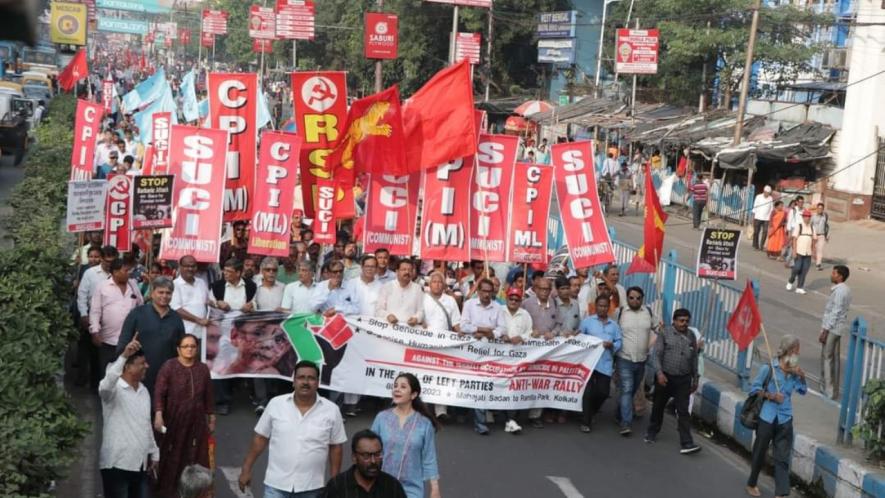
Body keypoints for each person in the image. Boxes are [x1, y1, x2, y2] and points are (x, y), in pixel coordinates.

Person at [239, 361, 347, 498]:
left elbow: (336, 447)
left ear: (318, 383)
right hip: (276, 486)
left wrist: (334, 482)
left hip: (312, 488)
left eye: (311, 378)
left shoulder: (332, 410)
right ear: (294, 381)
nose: (306, 382)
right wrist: (246, 468)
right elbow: (260, 438)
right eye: (301, 377)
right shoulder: (276, 404)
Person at [152, 334, 214, 498]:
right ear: (178, 349)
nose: (189, 349)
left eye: (193, 346)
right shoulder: (169, 367)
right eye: (185, 346)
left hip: (197, 420)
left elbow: (208, 395)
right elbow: (159, 392)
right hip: (174, 418)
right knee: (172, 454)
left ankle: (196, 491)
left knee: (196, 455)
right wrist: (159, 414)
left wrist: (211, 417)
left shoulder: (202, 368)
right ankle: (168, 491)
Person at [746, 335, 807, 498]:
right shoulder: (769, 369)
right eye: (795, 351)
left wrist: (802, 376)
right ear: (787, 352)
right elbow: (753, 390)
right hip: (767, 418)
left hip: (785, 419)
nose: (797, 355)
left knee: (782, 457)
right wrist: (771, 396)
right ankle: (751, 483)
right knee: (760, 452)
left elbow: (802, 391)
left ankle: (781, 492)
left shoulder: (794, 372)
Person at [99, 334, 159, 498]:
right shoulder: (113, 390)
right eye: (142, 364)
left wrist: (154, 453)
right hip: (116, 466)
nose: (147, 366)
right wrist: (124, 355)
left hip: (140, 466)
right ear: (128, 367)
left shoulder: (144, 391)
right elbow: (105, 385)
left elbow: (145, 425)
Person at [371, 373, 441, 498]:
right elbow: (369, 450)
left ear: (413, 395)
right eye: (395, 386)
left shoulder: (424, 423)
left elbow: (429, 457)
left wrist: (434, 489)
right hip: (381, 485)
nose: (397, 389)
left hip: (412, 489)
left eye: (403, 387)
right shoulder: (381, 418)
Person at [116, 277, 186, 395]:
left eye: (168, 293)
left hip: (166, 375)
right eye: (160, 292)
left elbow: (180, 349)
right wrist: (125, 353)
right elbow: (123, 342)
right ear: (152, 293)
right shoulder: (137, 314)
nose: (164, 296)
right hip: (139, 374)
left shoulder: (176, 318)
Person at [645, 308, 701, 454]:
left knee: (683, 411)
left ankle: (687, 442)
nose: (684, 324)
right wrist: (659, 373)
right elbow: (656, 355)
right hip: (665, 378)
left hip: (684, 379)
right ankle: (652, 432)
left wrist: (695, 378)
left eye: (687, 321)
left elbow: (694, 358)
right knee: (658, 406)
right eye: (681, 321)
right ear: (674, 321)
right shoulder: (665, 333)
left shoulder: (691, 336)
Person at [458, 278, 506, 434]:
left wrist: (492, 333)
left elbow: (502, 329)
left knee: (483, 384)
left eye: (489, 291)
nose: (486, 294)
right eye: (483, 291)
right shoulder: (469, 305)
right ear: (478, 291)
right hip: (471, 350)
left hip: (490, 351)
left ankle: (480, 421)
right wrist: (479, 329)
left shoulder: (498, 308)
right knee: (471, 383)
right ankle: (468, 414)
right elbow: (463, 325)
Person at [614, 286, 658, 436]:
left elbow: (658, 329)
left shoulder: (649, 312)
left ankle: (620, 413)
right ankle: (626, 423)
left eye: (638, 298)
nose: (635, 300)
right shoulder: (620, 313)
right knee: (627, 388)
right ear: (627, 298)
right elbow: (612, 330)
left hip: (641, 360)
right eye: (631, 297)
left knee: (631, 390)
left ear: (642, 298)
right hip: (624, 357)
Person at [90, 257, 144, 375]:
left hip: (129, 341)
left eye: (129, 270)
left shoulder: (133, 286)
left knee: (127, 373)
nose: (129, 273)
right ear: (115, 272)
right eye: (125, 271)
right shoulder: (102, 286)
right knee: (107, 373)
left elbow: (141, 305)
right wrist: (95, 332)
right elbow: (95, 311)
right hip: (108, 340)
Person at [578, 295, 622, 433]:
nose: (602, 308)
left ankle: (591, 412)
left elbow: (619, 342)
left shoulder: (614, 326)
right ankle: (586, 421)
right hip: (589, 363)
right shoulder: (587, 322)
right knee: (588, 393)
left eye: (605, 306)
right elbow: (579, 338)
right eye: (600, 306)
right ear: (595, 306)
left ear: (608, 308)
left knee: (603, 392)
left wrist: (612, 345)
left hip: (605, 363)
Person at [322, 430, 407, 498]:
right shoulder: (337, 487)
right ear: (354, 458)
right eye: (366, 456)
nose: (373, 461)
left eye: (377, 455)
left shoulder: (392, 486)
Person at [819, 265, 851, 400]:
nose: (832, 275)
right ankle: (832, 389)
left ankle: (829, 390)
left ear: (840, 276)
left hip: (832, 328)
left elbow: (835, 311)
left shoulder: (839, 291)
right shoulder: (846, 290)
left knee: (827, 358)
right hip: (838, 328)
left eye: (834, 273)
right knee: (834, 359)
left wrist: (825, 330)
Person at [171, 256, 211, 339]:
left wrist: (216, 304)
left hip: (202, 332)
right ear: (180, 267)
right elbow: (176, 309)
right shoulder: (175, 285)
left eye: (193, 266)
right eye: (186, 266)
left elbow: (208, 301)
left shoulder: (201, 282)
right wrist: (198, 320)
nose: (190, 269)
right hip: (185, 332)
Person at [376, 259, 424, 326]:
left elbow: (421, 311)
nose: (407, 272)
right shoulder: (387, 286)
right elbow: (379, 310)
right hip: (388, 328)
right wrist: (387, 315)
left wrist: (416, 318)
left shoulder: (417, 289)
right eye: (404, 269)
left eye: (410, 270)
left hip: (408, 330)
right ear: (397, 271)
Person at [785, 209, 816, 295]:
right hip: (799, 251)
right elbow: (794, 239)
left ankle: (799, 287)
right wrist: (794, 251)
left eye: (809, 217)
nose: (807, 218)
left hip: (808, 252)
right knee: (797, 268)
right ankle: (791, 280)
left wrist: (814, 251)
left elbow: (814, 240)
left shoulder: (812, 227)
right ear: (803, 217)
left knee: (804, 270)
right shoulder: (799, 226)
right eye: (806, 216)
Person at [751, 185, 773, 250]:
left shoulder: (770, 198)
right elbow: (755, 207)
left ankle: (761, 245)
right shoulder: (758, 197)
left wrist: (770, 219)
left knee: (765, 232)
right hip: (758, 217)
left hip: (766, 218)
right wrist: (753, 218)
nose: (767, 194)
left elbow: (771, 209)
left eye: (768, 193)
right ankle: (756, 245)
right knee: (756, 232)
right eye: (766, 193)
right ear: (764, 191)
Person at [810, 202, 830, 270]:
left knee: (820, 250)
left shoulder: (825, 216)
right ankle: (808, 261)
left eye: (821, 209)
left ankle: (818, 264)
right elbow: (810, 225)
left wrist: (827, 236)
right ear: (817, 209)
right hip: (814, 235)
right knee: (812, 249)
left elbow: (827, 226)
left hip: (822, 235)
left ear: (823, 209)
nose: (820, 210)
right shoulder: (813, 216)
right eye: (819, 208)